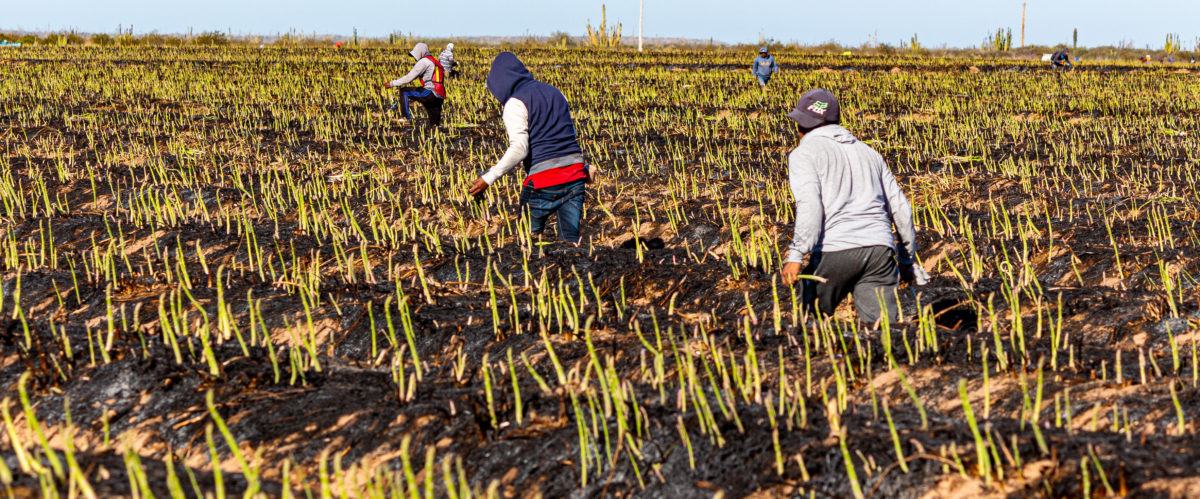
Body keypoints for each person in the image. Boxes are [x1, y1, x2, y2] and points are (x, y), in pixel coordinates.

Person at [779, 88, 929, 326]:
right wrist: (907, 260)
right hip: (880, 252)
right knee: (882, 331)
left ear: (803, 127)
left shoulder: (803, 153)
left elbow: (810, 205)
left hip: (836, 249)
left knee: (810, 324)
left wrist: (797, 254)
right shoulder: (870, 153)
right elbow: (901, 208)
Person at [467, 52, 589, 243]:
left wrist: (487, 179)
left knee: (527, 242)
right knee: (571, 243)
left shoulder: (515, 104)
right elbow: (567, 135)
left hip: (543, 181)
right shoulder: (557, 92)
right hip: (575, 176)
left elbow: (519, 149)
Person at [384, 43, 446, 126]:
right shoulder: (435, 62)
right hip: (439, 97)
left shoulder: (424, 61)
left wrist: (391, 84)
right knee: (434, 125)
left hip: (429, 92)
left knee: (404, 92)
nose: (415, 58)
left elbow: (409, 77)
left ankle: (405, 118)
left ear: (420, 52)